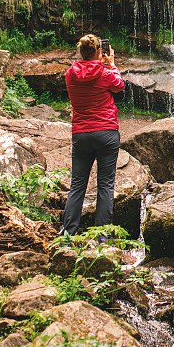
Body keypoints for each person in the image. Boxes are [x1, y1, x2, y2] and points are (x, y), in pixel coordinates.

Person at [60, 34, 125, 236]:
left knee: (77, 185)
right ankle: (102, 236)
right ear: (99, 52)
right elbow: (120, 86)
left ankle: (68, 233)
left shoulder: (70, 74)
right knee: (105, 185)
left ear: (81, 52)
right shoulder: (106, 73)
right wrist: (111, 64)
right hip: (106, 132)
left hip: (81, 134)